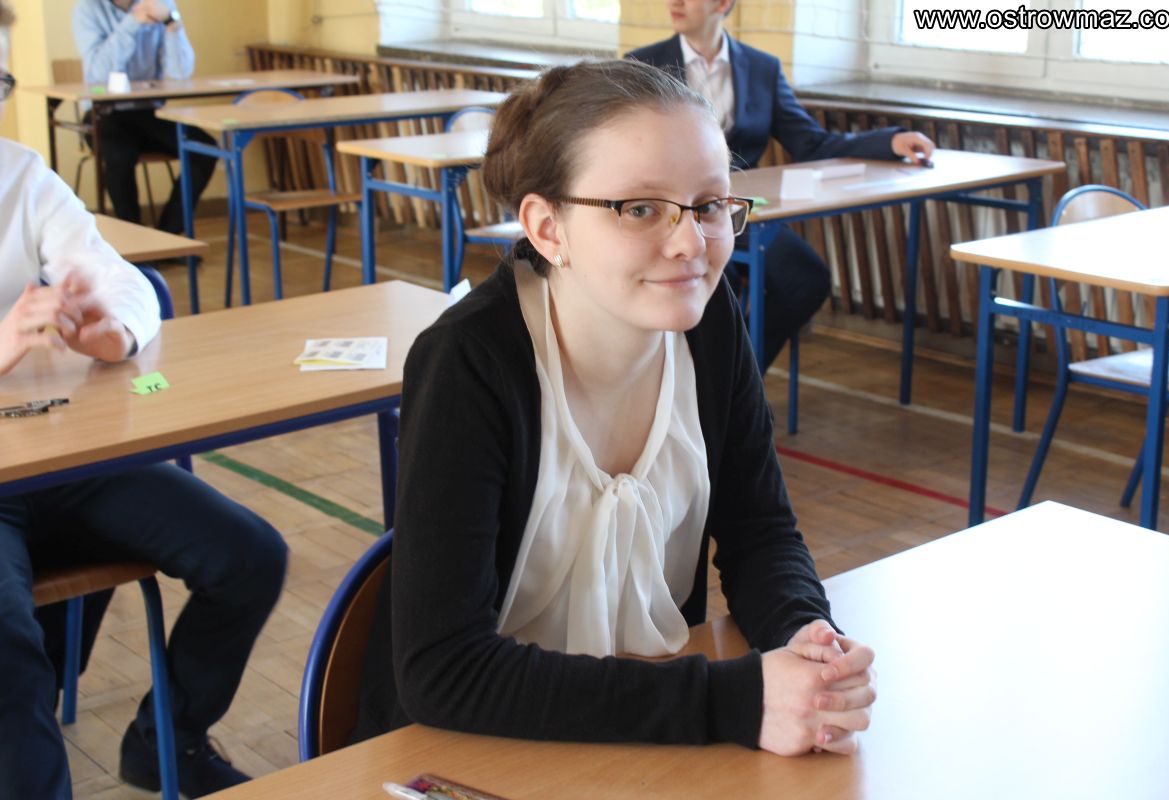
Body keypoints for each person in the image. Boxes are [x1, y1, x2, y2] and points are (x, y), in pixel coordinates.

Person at [354, 59, 876, 757]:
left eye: (709, 204)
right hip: (470, 749)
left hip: (641, 733)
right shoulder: (470, 362)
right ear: (548, 228)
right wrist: (734, 700)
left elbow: (759, 532)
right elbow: (443, 671)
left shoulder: (709, 323)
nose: (691, 243)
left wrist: (806, 635)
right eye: (640, 209)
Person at [0, 6, 287, 797]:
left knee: (250, 556)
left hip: (60, 459)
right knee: (9, 648)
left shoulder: (19, 174)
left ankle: (167, 742)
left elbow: (122, 278)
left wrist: (113, 331)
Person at [628, 0, 936, 368]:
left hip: (742, 214)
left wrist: (890, 142)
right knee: (717, 286)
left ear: (723, 3)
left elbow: (811, 143)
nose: (674, 2)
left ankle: (738, 375)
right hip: (676, 217)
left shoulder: (763, 67)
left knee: (806, 279)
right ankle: (705, 379)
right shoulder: (642, 64)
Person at [72, 0, 217, 234]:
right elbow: (97, 74)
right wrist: (132, 22)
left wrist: (171, 22)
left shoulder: (160, 4)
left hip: (149, 112)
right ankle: (133, 238)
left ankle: (169, 235)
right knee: (120, 155)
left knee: (204, 148)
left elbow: (181, 72)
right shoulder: (88, 8)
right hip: (104, 114)